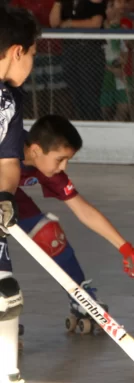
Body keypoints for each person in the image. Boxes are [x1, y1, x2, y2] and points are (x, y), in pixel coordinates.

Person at [14, 115, 134, 336]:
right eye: (60, 159)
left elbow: (82, 209)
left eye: (67, 160)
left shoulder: (44, 165)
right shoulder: (6, 144)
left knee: (50, 235)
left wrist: (125, 247)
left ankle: (80, 298)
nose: (63, 167)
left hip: (8, 193)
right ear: (37, 151)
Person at [0, 6, 40, 383]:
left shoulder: (11, 100)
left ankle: (6, 373)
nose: (31, 62)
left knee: (5, 296)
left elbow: (8, 161)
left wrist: (5, 197)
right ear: (16, 51)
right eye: (31, 54)